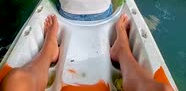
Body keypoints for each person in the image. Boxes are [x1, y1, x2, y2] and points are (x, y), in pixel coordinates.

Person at [0, 14, 174, 91]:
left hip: (67, 11)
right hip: (103, 13)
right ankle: (122, 50)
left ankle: (49, 49)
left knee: (16, 81)